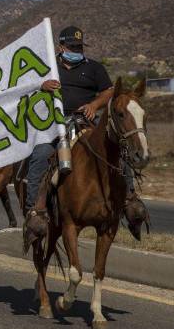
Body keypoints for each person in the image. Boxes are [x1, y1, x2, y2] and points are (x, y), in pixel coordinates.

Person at [23, 26, 150, 243]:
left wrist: (94, 104)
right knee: (40, 154)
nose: (76, 50)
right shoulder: (48, 68)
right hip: (53, 123)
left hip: (85, 122)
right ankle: (35, 210)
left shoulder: (94, 68)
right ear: (61, 47)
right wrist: (41, 85)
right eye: (72, 46)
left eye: (79, 47)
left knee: (118, 149)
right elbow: (26, 87)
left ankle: (129, 199)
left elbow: (109, 91)